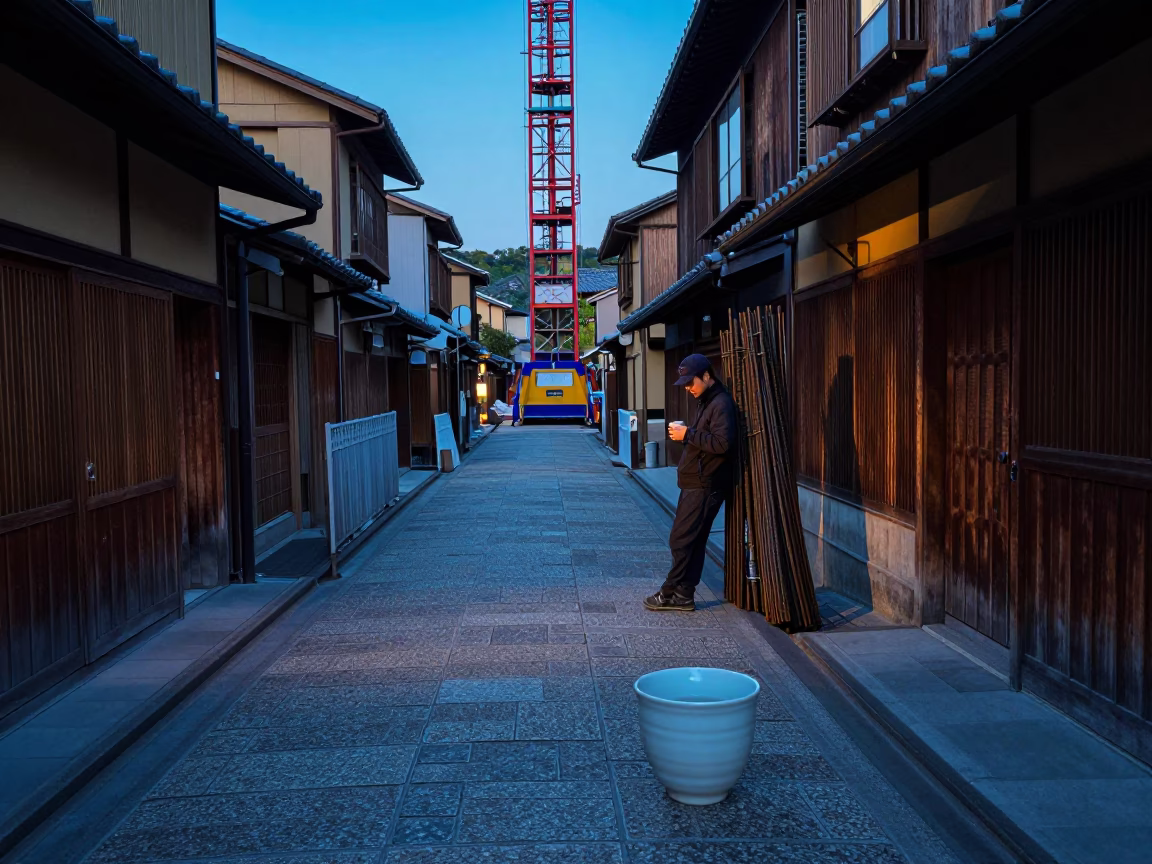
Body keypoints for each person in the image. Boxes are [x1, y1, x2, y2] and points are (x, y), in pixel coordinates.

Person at [645, 353, 737, 612]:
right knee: (691, 539)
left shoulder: (720, 403)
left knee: (681, 539)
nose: (687, 388)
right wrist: (689, 436)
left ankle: (669, 591)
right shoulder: (707, 400)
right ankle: (684, 594)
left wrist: (689, 434)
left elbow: (723, 444)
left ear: (707, 376)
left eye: (690, 382)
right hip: (697, 480)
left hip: (705, 483)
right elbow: (708, 439)